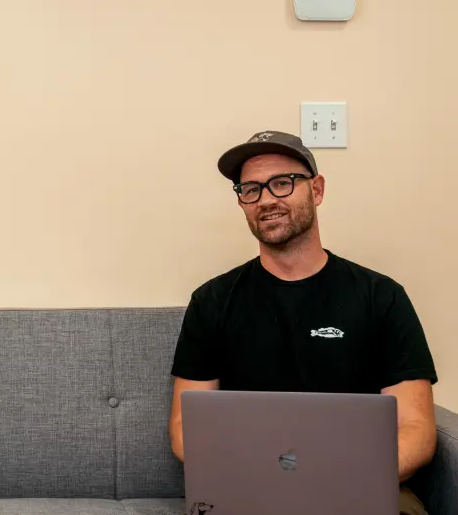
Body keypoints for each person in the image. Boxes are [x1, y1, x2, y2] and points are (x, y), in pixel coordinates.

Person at [167, 131, 438, 515]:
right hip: (248, 489)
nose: (266, 200)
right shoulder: (212, 301)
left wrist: (334, 479)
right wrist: (259, 477)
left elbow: (416, 429)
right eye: (251, 189)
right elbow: (183, 427)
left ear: (317, 189)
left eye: (282, 183)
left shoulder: (381, 296)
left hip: (358, 485)